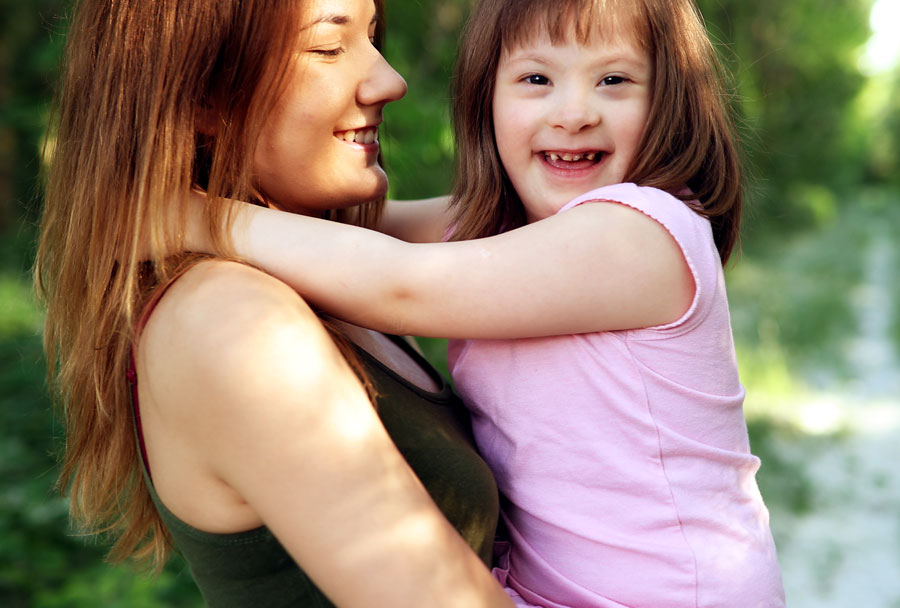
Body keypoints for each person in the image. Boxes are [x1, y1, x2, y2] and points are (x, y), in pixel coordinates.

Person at [182, 0, 787, 606]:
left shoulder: (645, 234)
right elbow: (350, 235)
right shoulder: (503, 228)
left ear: (670, 104)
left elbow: (400, 283)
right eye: (537, 79)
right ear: (486, 99)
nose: (574, 113)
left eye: (613, 80)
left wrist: (185, 217)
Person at [34, 0, 515, 606]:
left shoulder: (322, 271)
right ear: (205, 97)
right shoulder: (234, 321)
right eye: (328, 48)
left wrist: (200, 216)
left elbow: (536, 229)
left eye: (372, 37)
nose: (390, 80)